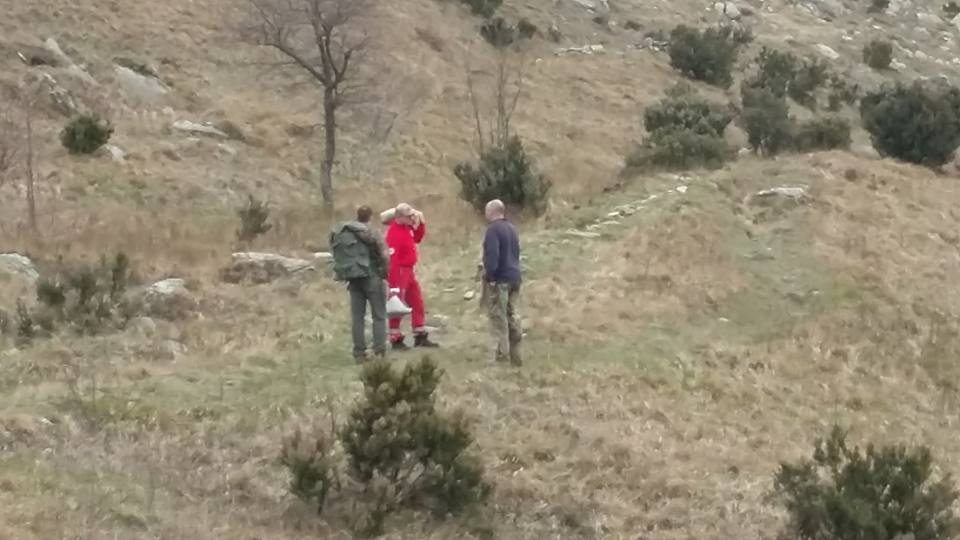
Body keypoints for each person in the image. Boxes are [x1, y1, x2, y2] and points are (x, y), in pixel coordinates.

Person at [330, 205, 389, 362]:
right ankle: (379, 351)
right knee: (379, 316)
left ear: (357, 216)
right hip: (372, 277)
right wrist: (385, 273)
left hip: (354, 279)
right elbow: (384, 255)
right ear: (370, 217)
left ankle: (359, 353)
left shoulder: (345, 232)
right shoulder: (371, 232)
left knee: (357, 318)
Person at [385, 203, 439, 349]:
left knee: (417, 301)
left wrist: (421, 224)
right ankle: (395, 338)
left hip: (409, 271)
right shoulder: (394, 232)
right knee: (397, 304)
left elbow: (417, 238)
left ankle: (419, 334)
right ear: (399, 216)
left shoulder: (406, 228)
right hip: (399, 271)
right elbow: (392, 258)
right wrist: (393, 283)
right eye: (408, 216)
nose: (411, 218)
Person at [482, 199, 522, 366]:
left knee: (499, 317)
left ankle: (502, 356)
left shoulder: (493, 230)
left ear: (492, 212)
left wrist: (490, 277)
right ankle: (516, 353)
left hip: (501, 279)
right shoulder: (512, 228)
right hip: (515, 277)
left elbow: (493, 255)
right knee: (511, 314)